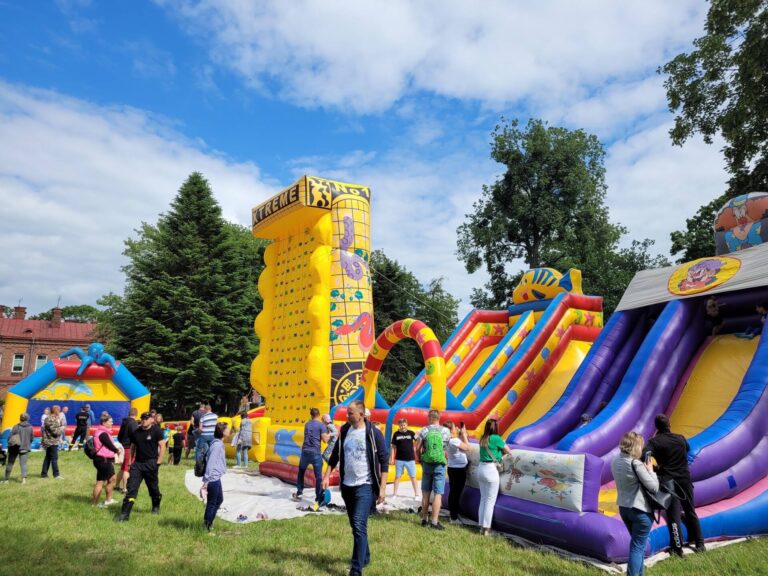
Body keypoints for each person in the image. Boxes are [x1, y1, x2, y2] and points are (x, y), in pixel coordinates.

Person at [322, 400, 388, 576]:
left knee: (359, 525)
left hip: (365, 486)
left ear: (361, 414)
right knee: (355, 526)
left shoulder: (373, 433)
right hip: (347, 486)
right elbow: (335, 454)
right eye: (347, 412)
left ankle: (356, 570)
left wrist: (382, 488)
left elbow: (384, 460)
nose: (347, 415)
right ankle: (364, 556)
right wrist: (327, 475)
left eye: (350, 413)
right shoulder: (344, 430)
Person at [644, 414, 705, 555]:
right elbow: (688, 449)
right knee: (690, 511)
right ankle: (700, 544)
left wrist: (655, 468)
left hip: (668, 481)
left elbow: (644, 455)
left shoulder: (655, 442)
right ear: (669, 424)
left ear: (656, 427)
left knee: (673, 515)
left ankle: (677, 548)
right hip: (685, 478)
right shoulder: (680, 438)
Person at [612, 431, 659, 576]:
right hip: (640, 510)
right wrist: (651, 471)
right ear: (636, 447)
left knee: (637, 545)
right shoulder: (635, 464)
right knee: (637, 547)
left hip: (624, 508)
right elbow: (654, 487)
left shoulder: (615, 461)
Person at [115, 411, 165, 522]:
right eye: (142, 418)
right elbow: (132, 447)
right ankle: (124, 514)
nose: (144, 420)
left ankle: (155, 506)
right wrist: (130, 463)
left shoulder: (156, 430)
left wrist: (159, 461)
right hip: (137, 464)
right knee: (131, 488)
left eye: (146, 418)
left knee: (153, 487)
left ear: (152, 420)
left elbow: (162, 445)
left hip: (151, 463)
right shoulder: (136, 432)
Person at [415, 409, 451, 530]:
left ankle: (424, 519)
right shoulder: (446, 431)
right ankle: (434, 522)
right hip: (439, 465)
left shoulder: (424, 430)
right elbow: (446, 449)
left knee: (425, 493)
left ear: (429, 418)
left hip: (427, 464)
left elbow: (417, 448)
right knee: (438, 494)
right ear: (439, 418)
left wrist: (421, 459)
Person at [477, 418, 512, 536]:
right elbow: (508, 451)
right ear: (496, 428)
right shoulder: (496, 438)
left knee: (483, 499)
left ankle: (481, 526)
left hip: (481, 468)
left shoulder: (483, 438)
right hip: (491, 470)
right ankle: (487, 529)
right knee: (490, 501)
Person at [292, 408, 330, 509]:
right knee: (318, 477)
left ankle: (299, 492)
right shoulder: (321, 425)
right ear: (319, 415)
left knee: (301, 471)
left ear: (311, 415)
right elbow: (325, 440)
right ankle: (318, 497)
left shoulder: (307, 424)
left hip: (305, 451)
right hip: (315, 453)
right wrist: (330, 432)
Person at [201, 421, 229, 532]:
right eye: (227, 429)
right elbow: (210, 463)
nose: (229, 431)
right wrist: (206, 481)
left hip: (216, 477)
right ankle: (206, 526)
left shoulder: (218, 444)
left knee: (219, 500)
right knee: (212, 503)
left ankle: (209, 522)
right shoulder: (217, 445)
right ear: (222, 432)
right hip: (212, 478)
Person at [92, 412, 124, 507]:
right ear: (104, 422)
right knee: (102, 481)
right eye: (110, 422)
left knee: (110, 479)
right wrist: (117, 451)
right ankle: (96, 503)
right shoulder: (103, 433)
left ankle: (107, 500)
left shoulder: (101, 432)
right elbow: (109, 445)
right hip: (103, 460)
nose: (112, 423)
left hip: (103, 459)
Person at [445, 421, 469, 523]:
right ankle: (454, 517)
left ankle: (453, 514)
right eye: (454, 427)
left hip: (451, 467)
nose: (456, 428)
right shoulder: (454, 440)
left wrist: (460, 436)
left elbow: (459, 447)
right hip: (459, 469)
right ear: (451, 430)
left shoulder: (447, 440)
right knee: (456, 493)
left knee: (453, 492)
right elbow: (468, 448)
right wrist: (464, 435)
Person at [389, 418, 419, 498]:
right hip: (399, 459)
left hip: (410, 459)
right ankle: (394, 494)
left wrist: (418, 436)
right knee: (397, 476)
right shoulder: (396, 434)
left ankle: (416, 494)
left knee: (413, 477)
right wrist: (391, 458)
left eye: (404, 425)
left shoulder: (411, 433)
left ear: (407, 425)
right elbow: (393, 447)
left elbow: (417, 441)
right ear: (399, 426)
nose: (402, 427)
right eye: (401, 425)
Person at [2, 412, 34, 484]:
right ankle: (23, 480)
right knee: (23, 464)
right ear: (27, 418)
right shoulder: (30, 427)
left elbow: (10, 437)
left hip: (14, 447)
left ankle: (6, 480)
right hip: (25, 447)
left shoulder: (16, 426)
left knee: (10, 463)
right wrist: (28, 443)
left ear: (20, 419)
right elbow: (32, 438)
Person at [40, 405, 63, 479]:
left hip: (51, 441)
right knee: (54, 458)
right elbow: (55, 431)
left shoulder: (51, 418)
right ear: (56, 411)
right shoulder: (50, 419)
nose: (59, 412)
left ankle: (44, 473)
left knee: (48, 457)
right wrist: (61, 429)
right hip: (51, 441)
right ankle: (56, 474)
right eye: (59, 410)